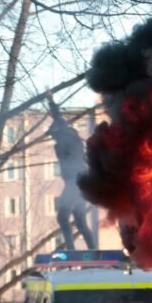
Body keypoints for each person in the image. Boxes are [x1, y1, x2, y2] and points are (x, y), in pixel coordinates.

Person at [47, 100, 97, 250]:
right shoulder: (69, 140)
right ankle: (92, 250)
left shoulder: (67, 137)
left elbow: (58, 118)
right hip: (79, 184)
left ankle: (70, 250)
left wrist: (50, 100)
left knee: (62, 217)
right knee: (80, 221)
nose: (54, 139)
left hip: (74, 183)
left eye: (54, 136)